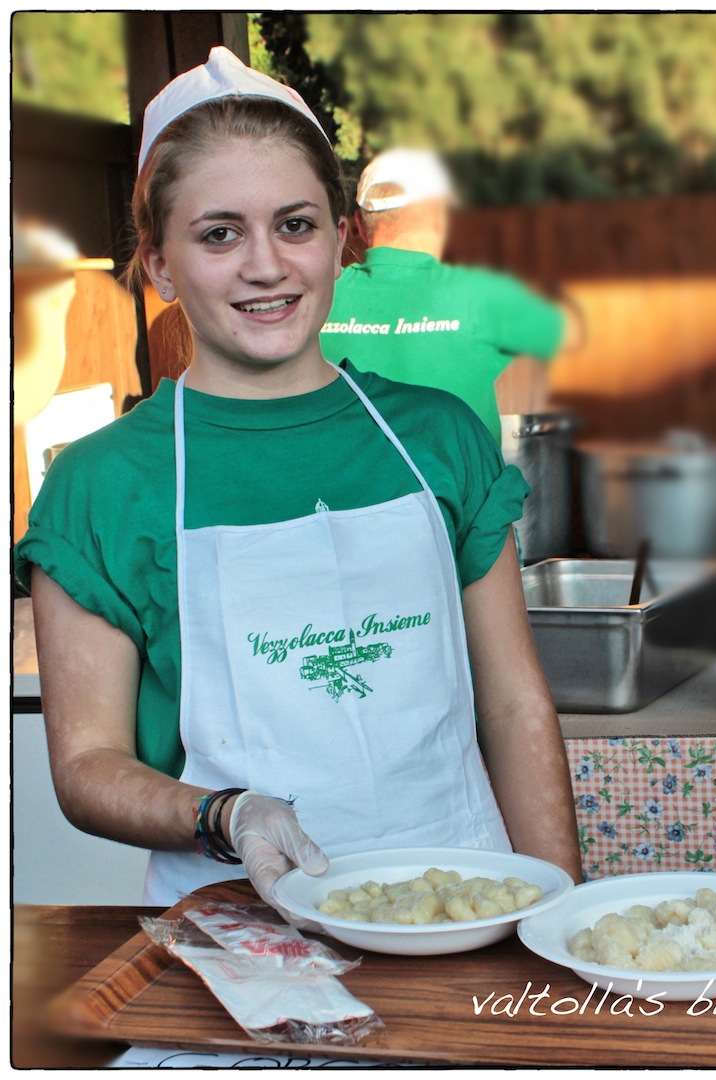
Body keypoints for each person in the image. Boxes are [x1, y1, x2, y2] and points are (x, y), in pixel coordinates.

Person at [13, 47, 582, 918]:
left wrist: (561, 920)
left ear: (341, 239)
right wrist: (225, 814)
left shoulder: (438, 437)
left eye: (295, 224)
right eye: (219, 234)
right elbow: (88, 766)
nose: (266, 265)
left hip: (468, 910)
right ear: (158, 264)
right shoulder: (102, 484)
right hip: (241, 932)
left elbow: (514, 707)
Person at [320, 147, 584, 445]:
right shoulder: (482, 292)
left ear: (358, 222)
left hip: (348, 475)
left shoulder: (322, 296)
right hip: (459, 476)